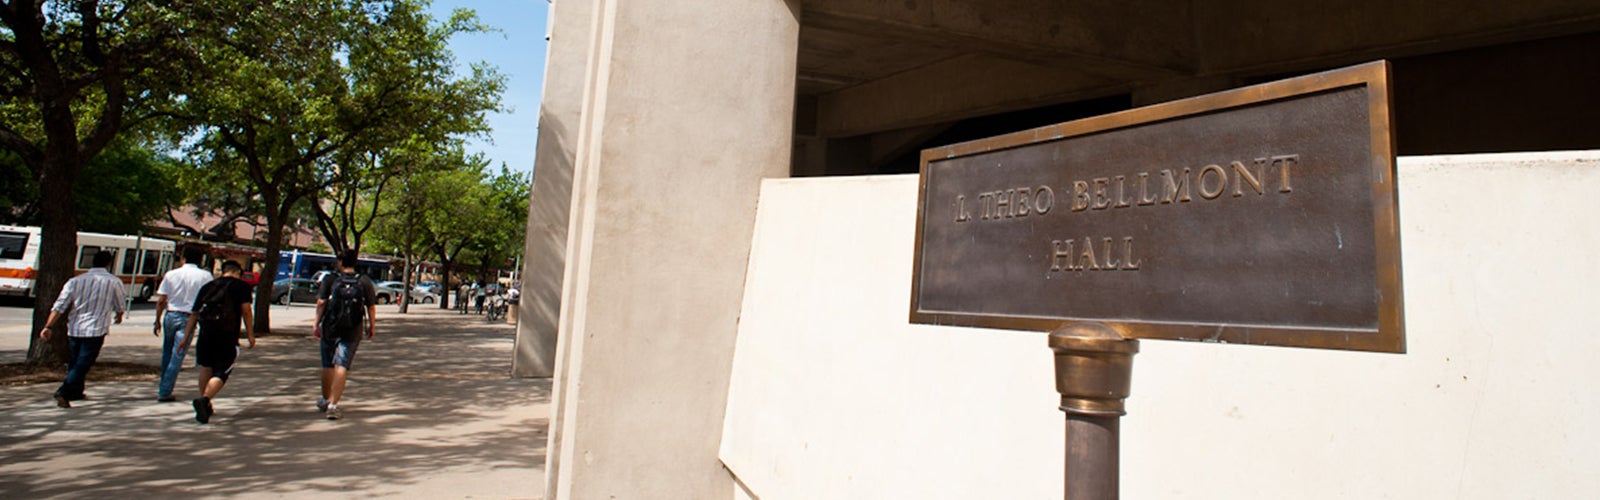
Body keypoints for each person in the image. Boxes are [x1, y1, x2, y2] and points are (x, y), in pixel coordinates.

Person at [37, 251, 126, 408]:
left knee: (75, 360)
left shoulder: (75, 281)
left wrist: (48, 326)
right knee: (84, 363)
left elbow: (60, 305)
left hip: (75, 327)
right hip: (95, 328)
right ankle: (63, 391)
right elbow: (120, 305)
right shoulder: (113, 282)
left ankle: (76, 391)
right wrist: (119, 316)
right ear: (108, 263)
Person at [185, 260, 255, 424]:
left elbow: (194, 313)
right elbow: (246, 311)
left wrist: (185, 337)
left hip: (206, 334)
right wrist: (250, 334)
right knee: (222, 371)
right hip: (227, 335)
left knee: (206, 367)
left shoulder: (208, 286)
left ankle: (205, 403)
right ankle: (205, 400)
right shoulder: (241, 287)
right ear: (238, 272)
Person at [312, 250, 376, 420]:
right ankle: (333, 405)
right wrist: (372, 326)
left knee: (327, 364)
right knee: (342, 364)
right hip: (353, 327)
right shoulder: (364, 281)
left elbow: (321, 302)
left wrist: (316, 324)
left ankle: (326, 399)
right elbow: (371, 306)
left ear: (339, 261)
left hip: (331, 327)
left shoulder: (330, 279)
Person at [152, 247, 213, 402]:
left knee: (167, 352)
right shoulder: (206, 276)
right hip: (190, 317)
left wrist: (157, 319)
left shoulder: (171, 274)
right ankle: (165, 390)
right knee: (178, 355)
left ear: (183, 258)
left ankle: (164, 385)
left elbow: (161, 300)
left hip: (171, 314)